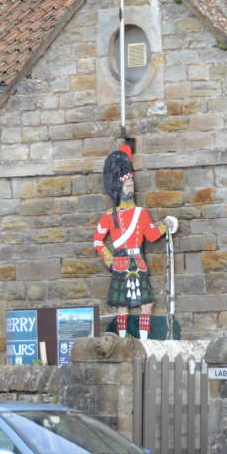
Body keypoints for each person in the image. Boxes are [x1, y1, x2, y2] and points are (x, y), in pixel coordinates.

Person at [93, 145, 178, 340]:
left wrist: (165, 226)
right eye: (126, 185)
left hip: (138, 261)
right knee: (122, 307)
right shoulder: (109, 216)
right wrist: (109, 260)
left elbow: (151, 235)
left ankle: (144, 341)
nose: (130, 188)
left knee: (146, 304)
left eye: (131, 184)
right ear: (119, 189)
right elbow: (97, 240)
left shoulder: (142, 213)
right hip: (121, 262)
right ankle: (123, 342)